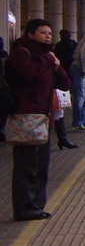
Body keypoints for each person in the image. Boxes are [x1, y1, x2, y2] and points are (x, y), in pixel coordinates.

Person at [7, 18, 70, 220]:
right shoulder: (21, 53)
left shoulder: (48, 57)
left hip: (44, 120)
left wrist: (57, 66)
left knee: (41, 164)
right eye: (43, 33)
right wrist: (48, 61)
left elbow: (65, 83)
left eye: (50, 33)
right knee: (26, 165)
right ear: (31, 34)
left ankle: (37, 204)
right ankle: (24, 207)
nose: (47, 36)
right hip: (26, 118)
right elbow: (28, 72)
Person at [51, 30, 78, 149]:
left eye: (49, 34)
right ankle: (63, 138)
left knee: (58, 112)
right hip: (61, 78)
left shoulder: (56, 49)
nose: (47, 37)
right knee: (57, 113)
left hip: (56, 83)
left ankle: (63, 138)